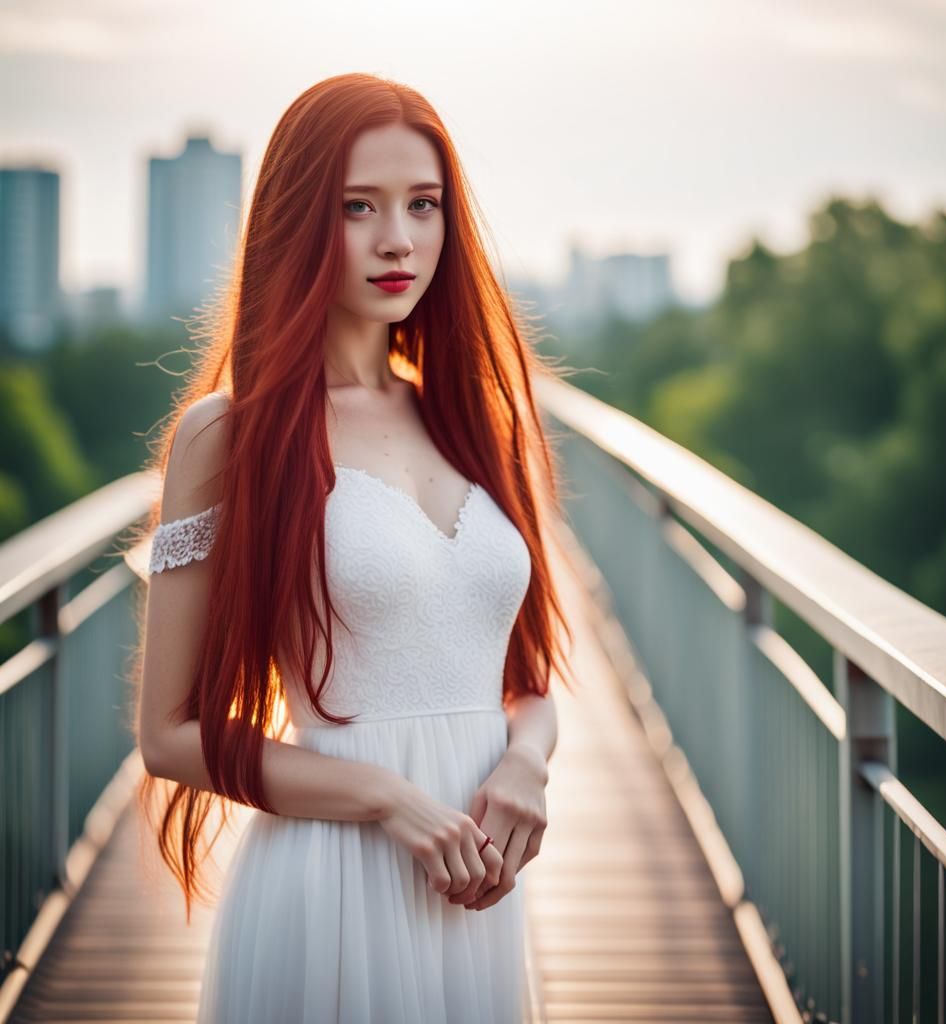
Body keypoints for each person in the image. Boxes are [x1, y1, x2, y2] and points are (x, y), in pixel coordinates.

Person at [132, 72, 578, 1023]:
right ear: (298, 222)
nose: (398, 240)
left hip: (478, 892)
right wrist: (386, 796)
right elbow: (168, 737)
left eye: (423, 205)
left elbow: (527, 679)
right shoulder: (231, 435)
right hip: (333, 879)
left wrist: (527, 764)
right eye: (357, 207)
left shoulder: (471, 417)